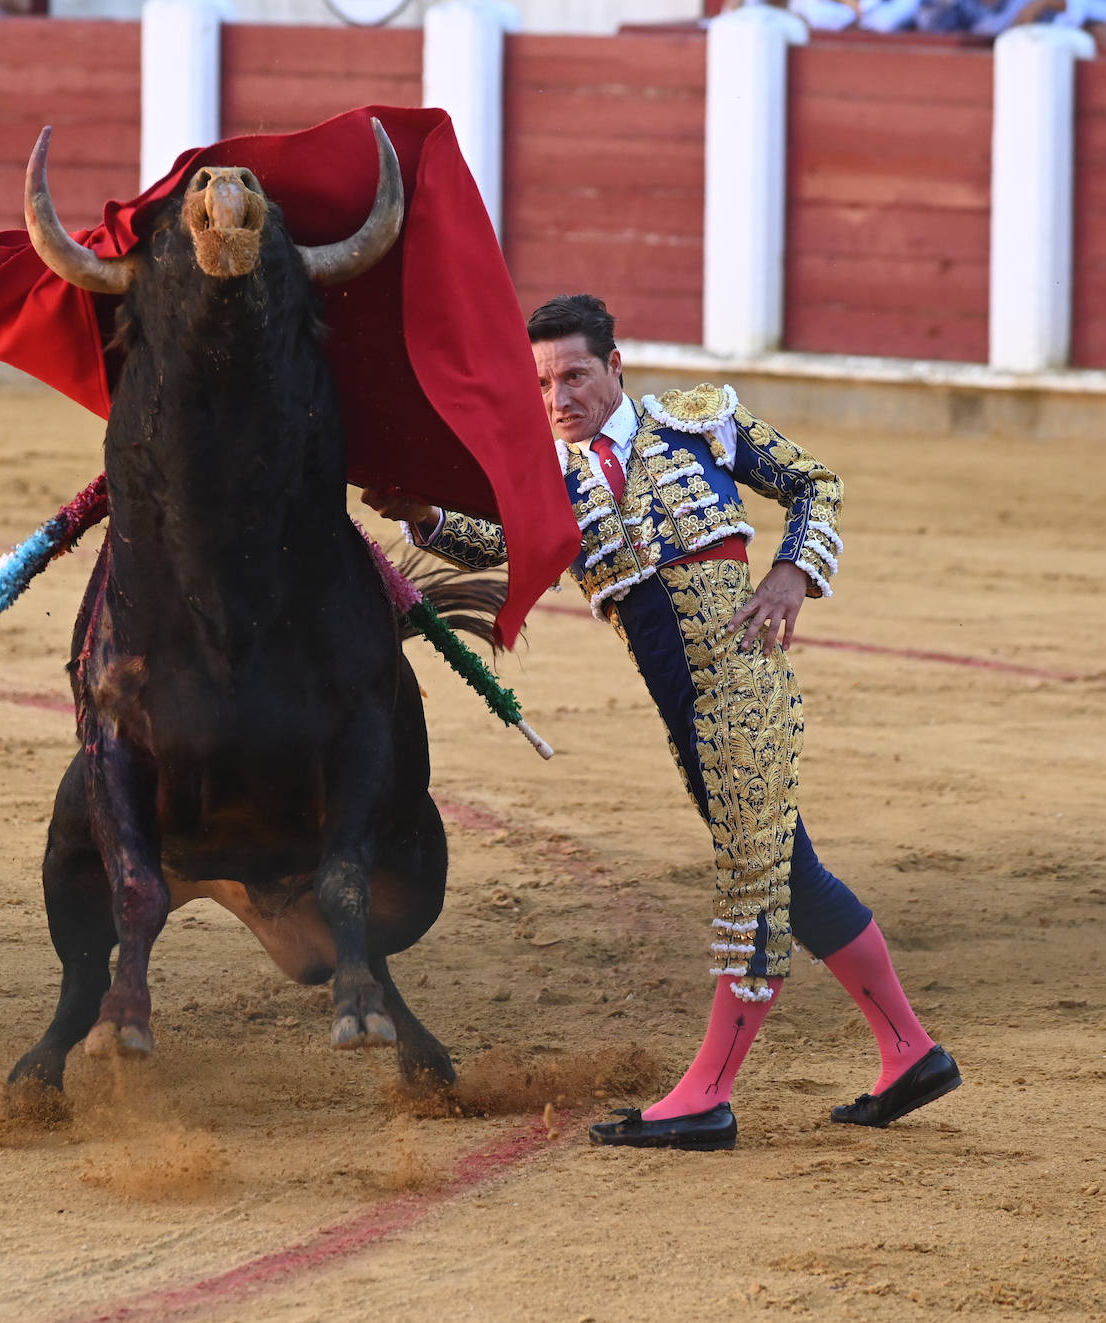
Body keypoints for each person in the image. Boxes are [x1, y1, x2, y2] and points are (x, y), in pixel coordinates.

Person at [363, 293, 960, 1151]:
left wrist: (795, 571)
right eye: (543, 383)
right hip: (684, 708)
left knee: (751, 885)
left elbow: (813, 482)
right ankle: (910, 1051)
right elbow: (497, 539)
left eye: (574, 374)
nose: (559, 397)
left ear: (615, 368)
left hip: (743, 685)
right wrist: (422, 516)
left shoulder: (699, 421)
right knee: (792, 873)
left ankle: (706, 1095)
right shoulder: (550, 477)